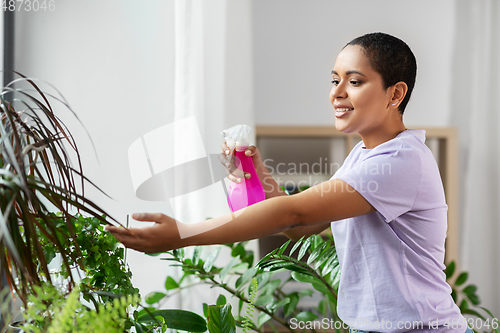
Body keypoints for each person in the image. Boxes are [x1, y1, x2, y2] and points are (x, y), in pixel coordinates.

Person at [106, 32, 470, 333]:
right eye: (334, 79)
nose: (337, 92)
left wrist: (183, 233)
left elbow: (293, 214)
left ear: (395, 94)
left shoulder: (400, 161)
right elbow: (307, 225)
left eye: (354, 81)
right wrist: (254, 172)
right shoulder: (364, 156)